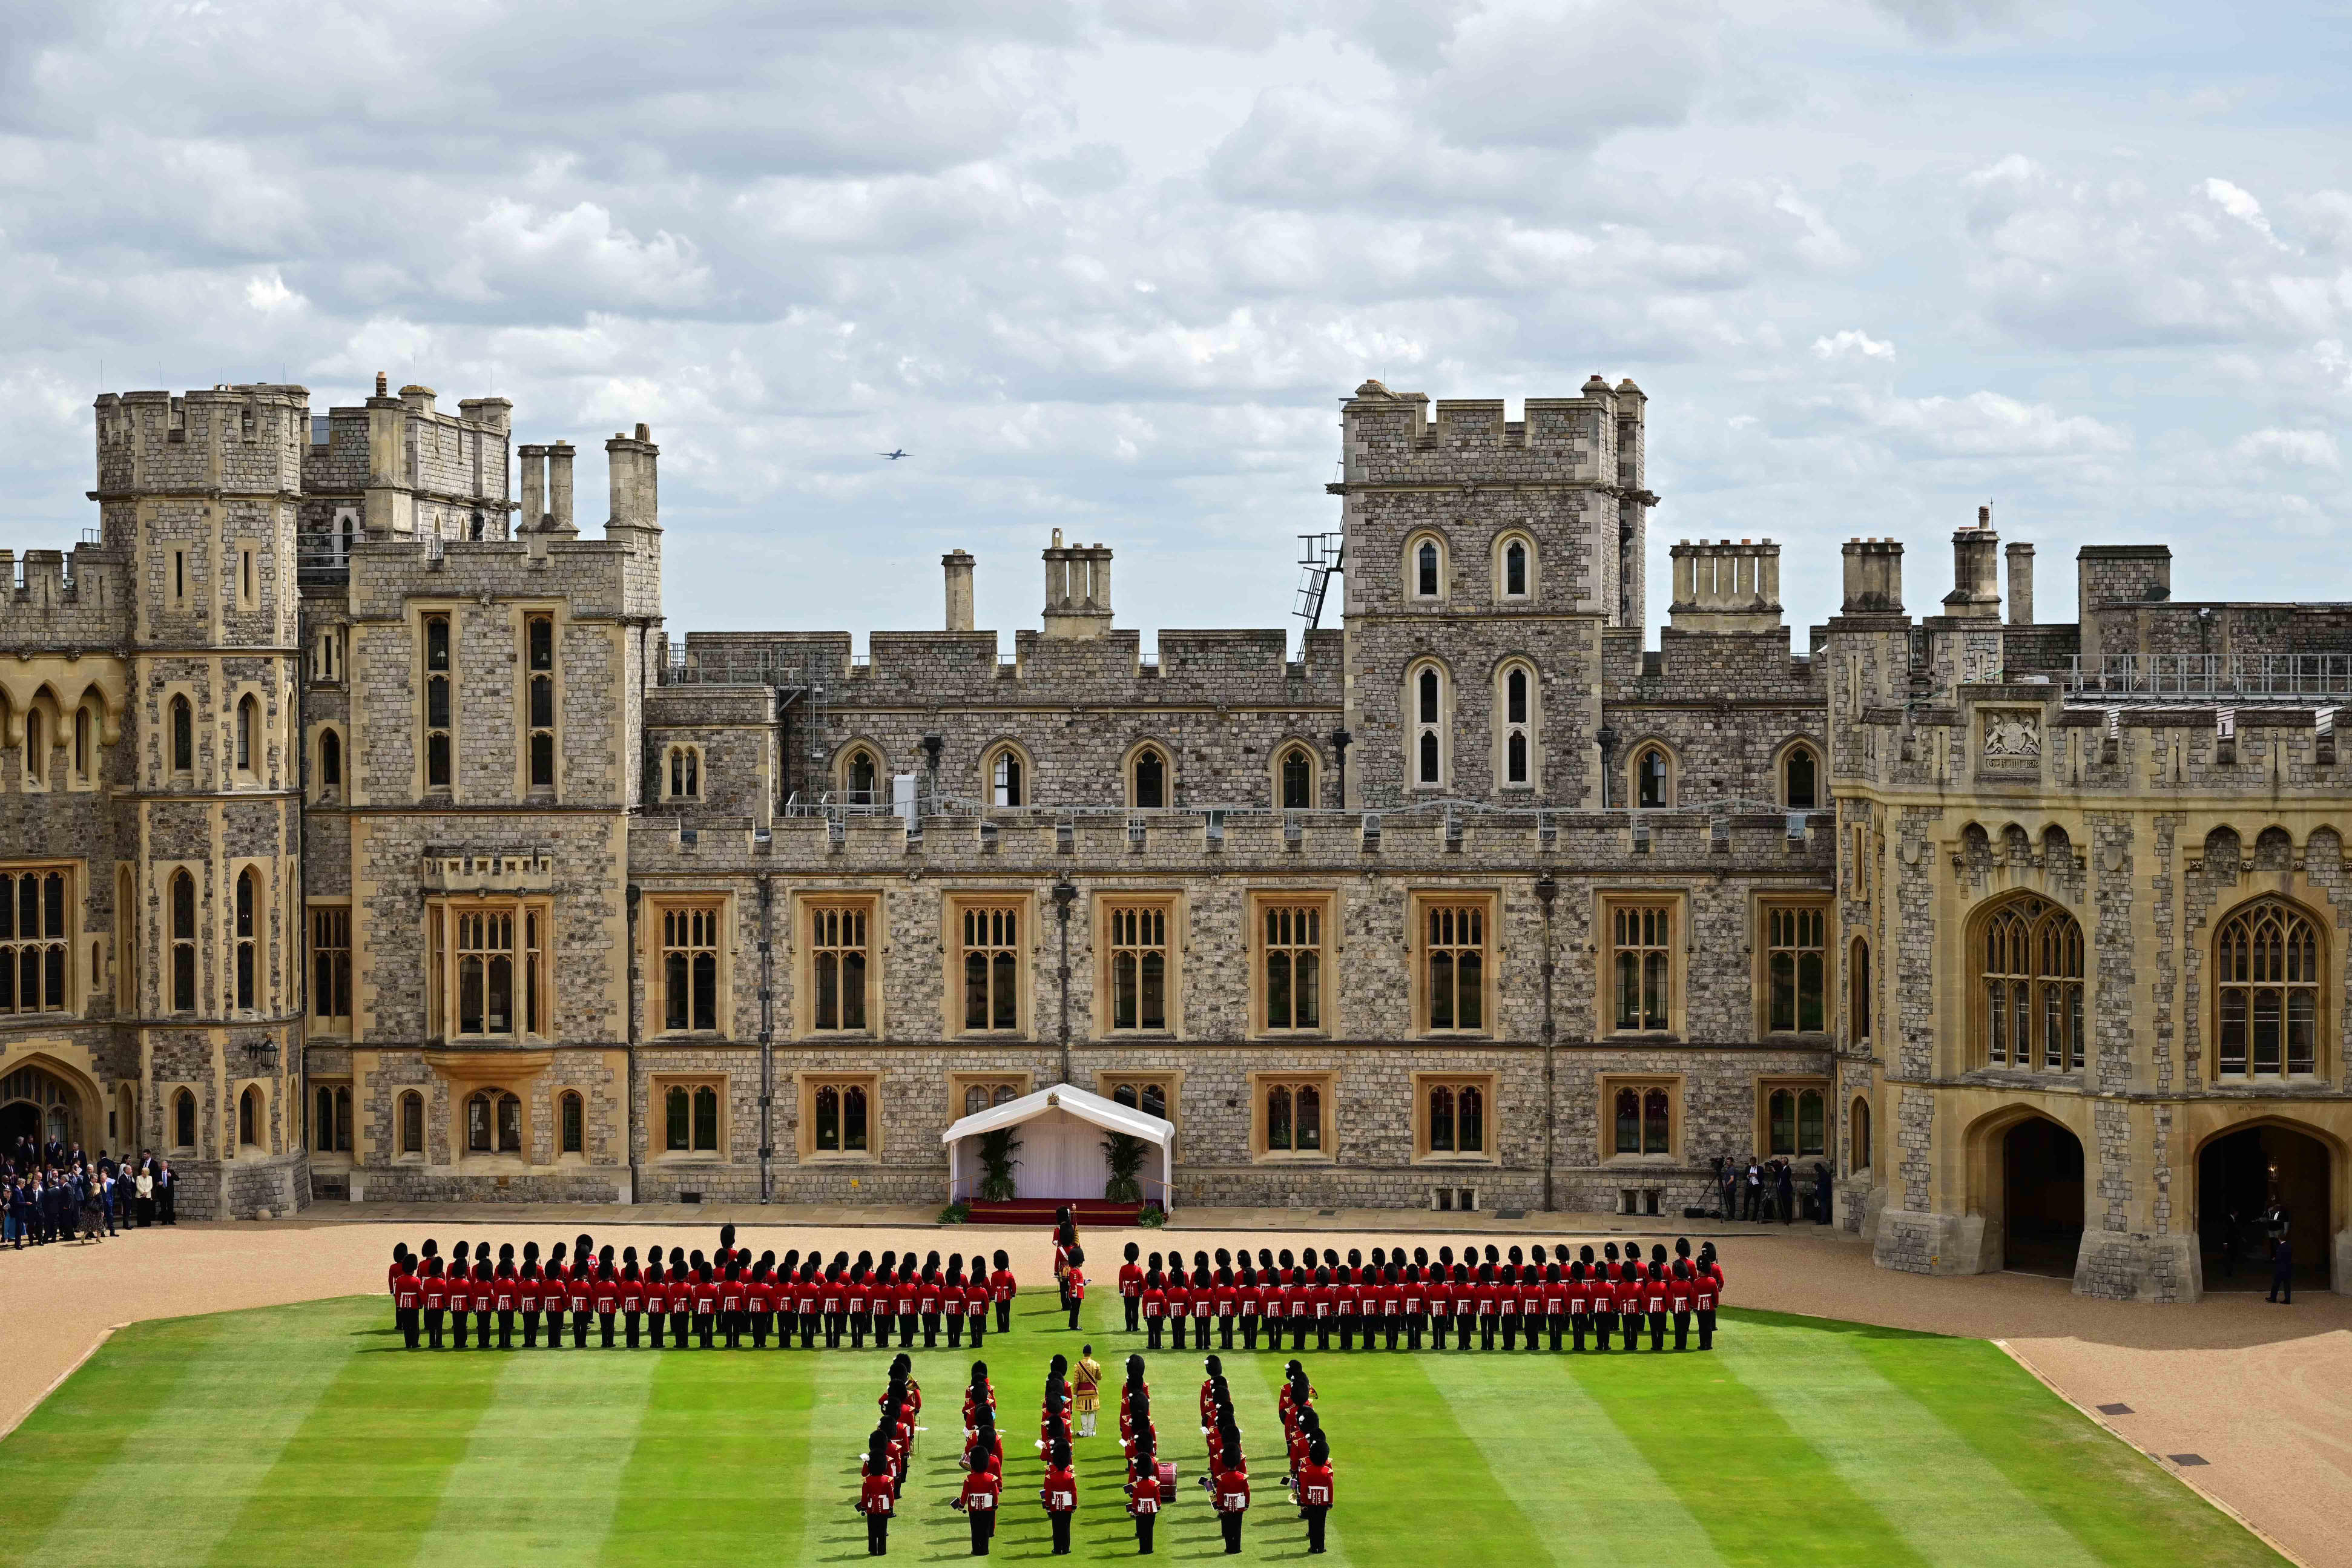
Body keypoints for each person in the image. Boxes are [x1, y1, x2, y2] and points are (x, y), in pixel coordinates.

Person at [952, 1442, 1001, 1555]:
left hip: (973, 1508)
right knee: (985, 1530)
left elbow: (965, 1494)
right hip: (987, 1508)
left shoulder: (969, 1479)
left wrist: (960, 1506)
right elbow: (994, 1494)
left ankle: (976, 1549)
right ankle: (984, 1550)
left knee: (975, 1530)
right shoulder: (991, 1479)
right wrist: (995, 1505)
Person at [1297, 1429, 1335, 1554]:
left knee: (1313, 1524)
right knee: (1321, 1525)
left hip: (1310, 1501)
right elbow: (1330, 1488)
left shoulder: (1306, 1471)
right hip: (1324, 1502)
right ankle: (1321, 1547)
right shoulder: (1327, 1471)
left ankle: (1314, 1547)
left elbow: (1304, 1488)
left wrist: (1303, 1502)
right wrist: (1330, 1503)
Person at [859, 1434, 897, 1555]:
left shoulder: (867, 1481)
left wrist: (863, 1507)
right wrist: (891, 1507)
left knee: (872, 1529)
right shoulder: (888, 1480)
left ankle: (872, 1549)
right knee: (882, 1529)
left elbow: (865, 1495)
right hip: (884, 1507)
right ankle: (882, 1550)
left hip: (871, 1507)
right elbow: (891, 1495)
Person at [1213, 1432, 1250, 1554]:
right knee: (1237, 1527)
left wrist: (1219, 1506)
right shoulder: (1242, 1477)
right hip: (1239, 1503)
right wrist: (1247, 1504)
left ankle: (1229, 1547)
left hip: (1226, 1504)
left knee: (1228, 1528)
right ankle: (1237, 1548)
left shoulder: (1222, 1478)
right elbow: (1247, 1491)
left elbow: (1220, 1493)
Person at [1041, 1437, 1078, 1555]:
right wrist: (1074, 1505)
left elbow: (1047, 1492)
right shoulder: (1070, 1476)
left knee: (1056, 1528)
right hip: (1067, 1504)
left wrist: (1047, 1506)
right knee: (1066, 1527)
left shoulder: (1051, 1477)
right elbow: (1074, 1492)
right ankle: (1066, 1549)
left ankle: (1057, 1549)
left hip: (1055, 1504)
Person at [1127, 1432, 1163, 1555]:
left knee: (1142, 1528)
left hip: (1141, 1507)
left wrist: (1133, 1506)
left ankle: (1143, 1548)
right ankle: (1149, 1548)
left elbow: (1132, 1477)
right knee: (1149, 1529)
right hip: (1152, 1507)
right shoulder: (1154, 1481)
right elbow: (1157, 1480)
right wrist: (1158, 1506)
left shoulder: (1136, 1465)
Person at [1695, 1242, 1723, 1350]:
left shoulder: (1697, 1281)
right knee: (1709, 1326)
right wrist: (1719, 1289)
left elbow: (1695, 1294)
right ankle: (1709, 1344)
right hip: (1711, 1303)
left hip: (1700, 1306)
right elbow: (1721, 1281)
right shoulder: (1713, 1278)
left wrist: (1694, 1306)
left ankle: (1703, 1345)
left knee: (1702, 1327)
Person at [1073, 1344, 1102, 1437]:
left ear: (1084, 1353)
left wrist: (1075, 1393)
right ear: (1091, 1353)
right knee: (1091, 1412)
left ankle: (1085, 1432)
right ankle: (1090, 1432)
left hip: (1081, 1392)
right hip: (1093, 1391)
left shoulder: (1078, 1365)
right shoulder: (1096, 1364)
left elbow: (1076, 1380)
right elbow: (1100, 1378)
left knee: (1083, 1412)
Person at [990, 1250, 1016, 1336]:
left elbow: (993, 1286)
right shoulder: (1009, 1274)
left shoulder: (994, 1275)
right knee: (1006, 1312)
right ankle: (1006, 1328)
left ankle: (1000, 1328)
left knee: (999, 1312)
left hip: (998, 1296)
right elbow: (1013, 1285)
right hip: (1007, 1295)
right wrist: (1013, 1294)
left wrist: (993, 1296)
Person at [1064, 1247, 1087, 1331]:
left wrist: (1085, 1282)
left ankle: (1073, 1325)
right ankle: (1074, 1326)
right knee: (1075, 1311)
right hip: (1076, 1294)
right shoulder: (1074, 1271)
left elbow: (1079, 1282)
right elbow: (1074, 1283)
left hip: (1078, 1293)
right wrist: (1074, 1292)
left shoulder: (1076, 1270)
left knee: (1075, 1310)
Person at [2270, 1233, 2294, 1304]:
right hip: (2288, 1268)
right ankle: (2287, 1300)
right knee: (2287, 1285)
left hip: (2281, 1268)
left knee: (2276, 1284)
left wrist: (2275, 1259)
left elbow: (2279, 1258)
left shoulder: (2280, 1247)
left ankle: (2273, 1298)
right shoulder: (2289, 1246)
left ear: (2279, 1239)